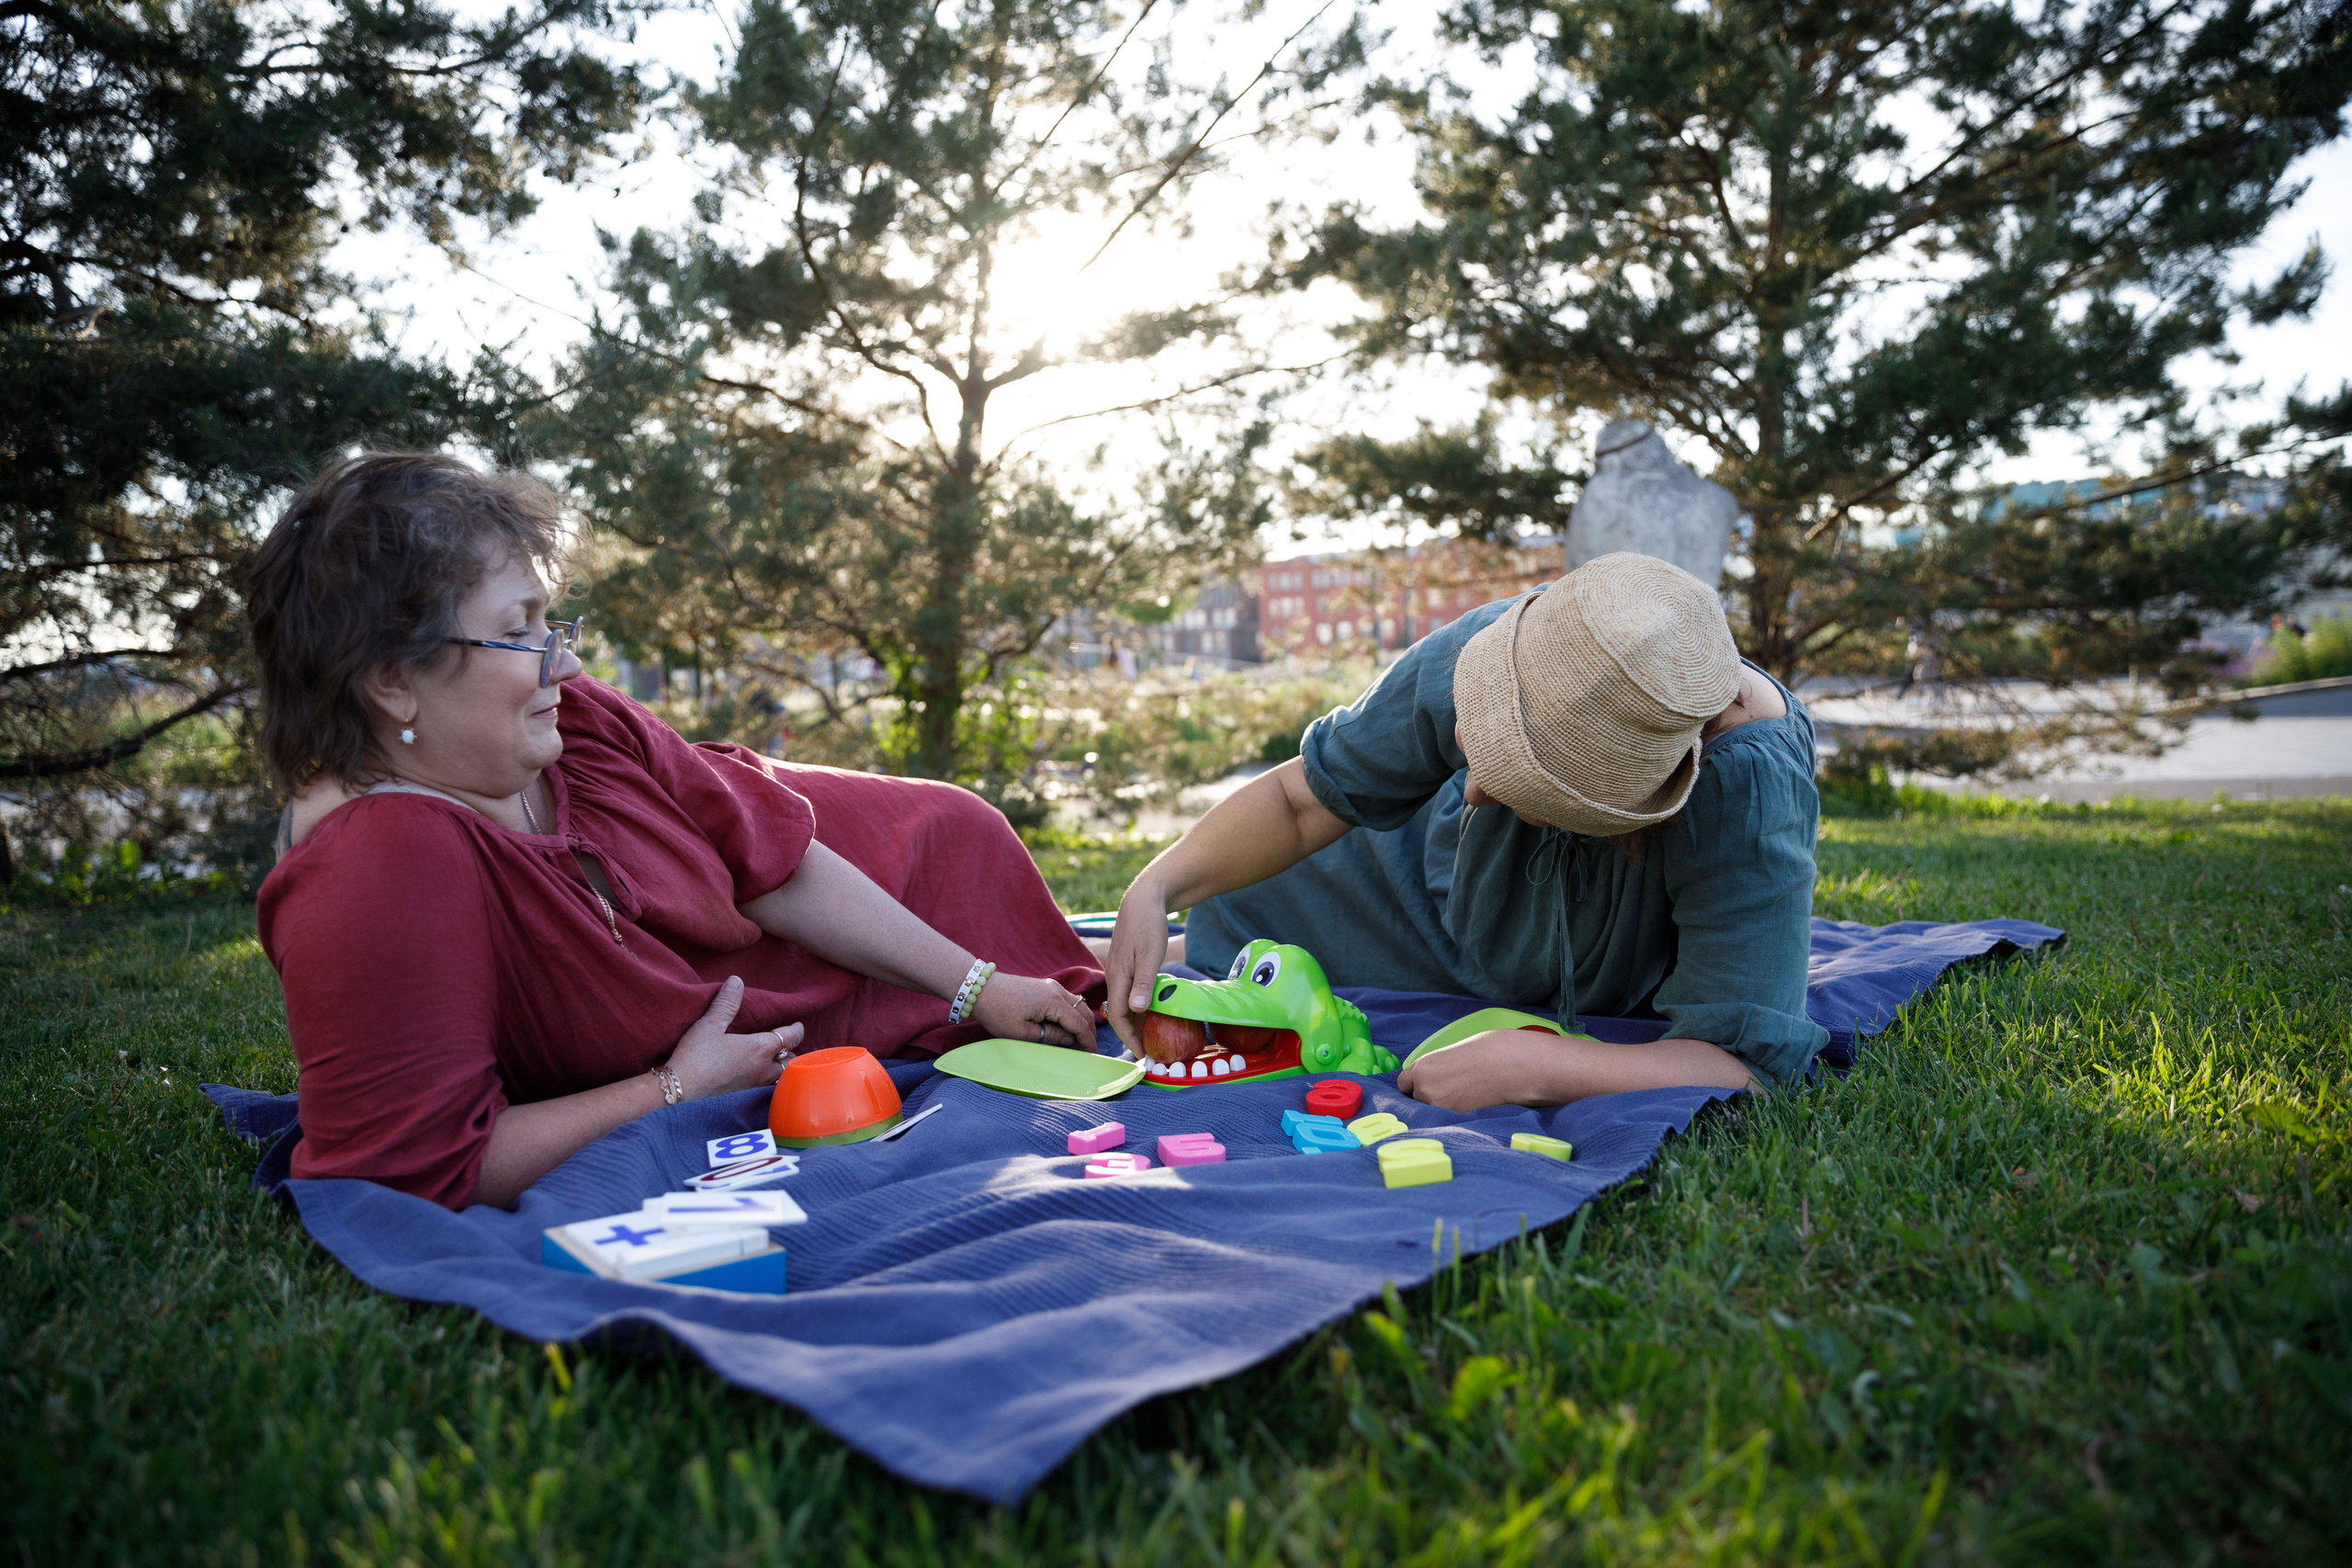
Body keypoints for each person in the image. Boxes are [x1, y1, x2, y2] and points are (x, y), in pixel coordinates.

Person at [248, 452, 1102, 1210]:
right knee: (1095, 967)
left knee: (1010, 882)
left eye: (549, 624)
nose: (567, 662)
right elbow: (421, 1170)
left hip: (877, 876)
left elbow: (777, 866)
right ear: (393, 681)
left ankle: (1130, 941)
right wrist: (674, 1089)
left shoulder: (568, 718)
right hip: (794, 993)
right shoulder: (376, 866)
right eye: (517, 632)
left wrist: (978, 986)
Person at [1100, 553, 1826, 1112]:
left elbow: (1745, 1064)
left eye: (1520, 783)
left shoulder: (1748, 791)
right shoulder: (1514, 645)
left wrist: (1541, 1067)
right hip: (1416, 871)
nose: (1472, 788)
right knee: (1239, 908)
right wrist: (1158, 882)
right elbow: (1302, 801)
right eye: (1479, 748)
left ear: (1621, 808)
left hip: (1590, 967)